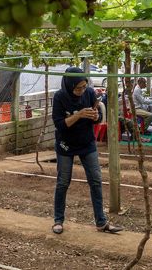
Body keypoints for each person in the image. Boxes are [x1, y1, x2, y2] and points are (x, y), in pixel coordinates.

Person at [51, 67, 122, 235]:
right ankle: (58, 220)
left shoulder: (89, 93)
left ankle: (101, 222)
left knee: (96, 180)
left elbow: (97, 118)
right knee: (63, 182)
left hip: (86, 143)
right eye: (78, 88)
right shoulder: (60, 97)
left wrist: (94, 116)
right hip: (65, 144)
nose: (81, 91)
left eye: (84, 87)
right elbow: (60, 124)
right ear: (69, 85)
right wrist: (79, 114)